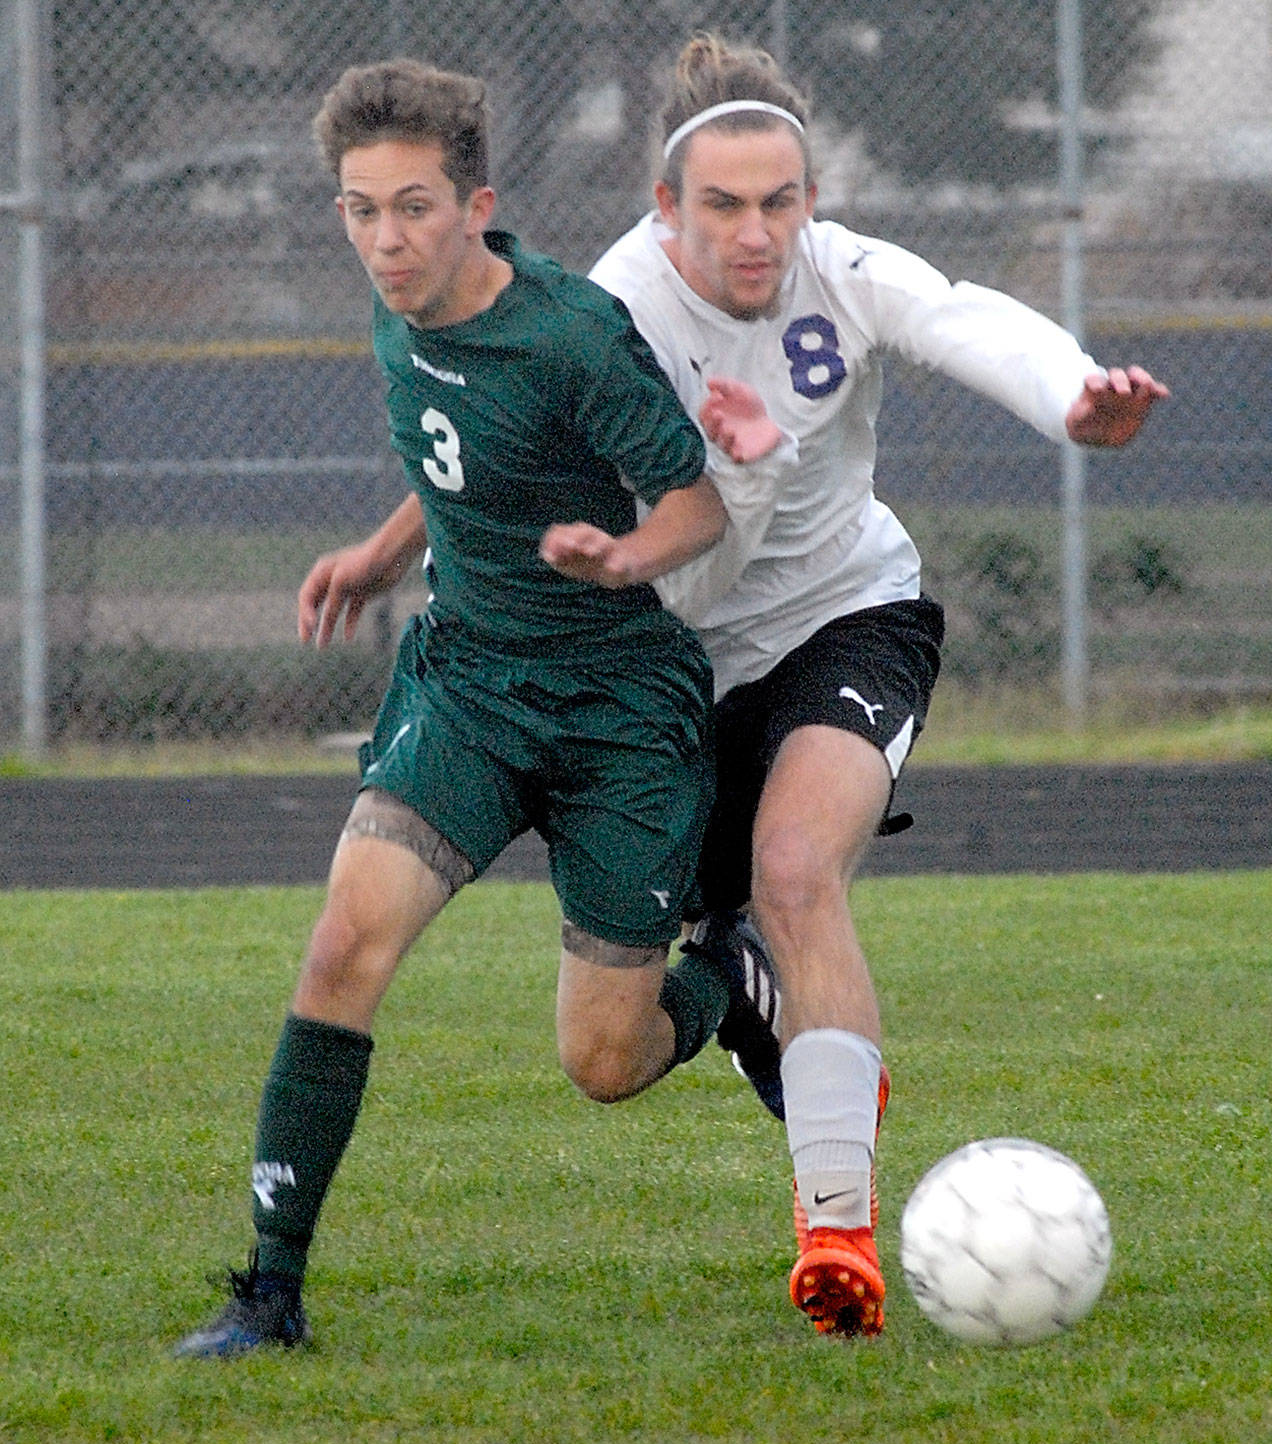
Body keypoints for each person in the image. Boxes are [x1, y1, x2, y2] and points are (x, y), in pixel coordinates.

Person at [544, 33, 1169, 1339]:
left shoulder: (843, 274)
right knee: (622, 1038)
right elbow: (683, 580)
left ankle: (838, 1241)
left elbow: (963, 316)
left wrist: (1073, 398)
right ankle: (739, 981)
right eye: (722, 205)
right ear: (665, 208)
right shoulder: (615, 325)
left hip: (851, 616)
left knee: (796, 869)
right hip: (676, 661)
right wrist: (736, 481)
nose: (757, 232)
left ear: (811, 196)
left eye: (782, 199)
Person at [174, 57, 782, 1359]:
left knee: (603, 1063)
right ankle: (269, 1292)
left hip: (620, 703)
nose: (384, 241)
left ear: (476, 204)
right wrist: (384, 554)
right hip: (472, 681)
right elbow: (455, 454)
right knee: (345, 945)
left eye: (411, 209)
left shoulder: (568, 335)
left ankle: (728, 978)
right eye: (358, 210)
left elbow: (695, 505)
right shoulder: (398, 313)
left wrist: (619, 557)